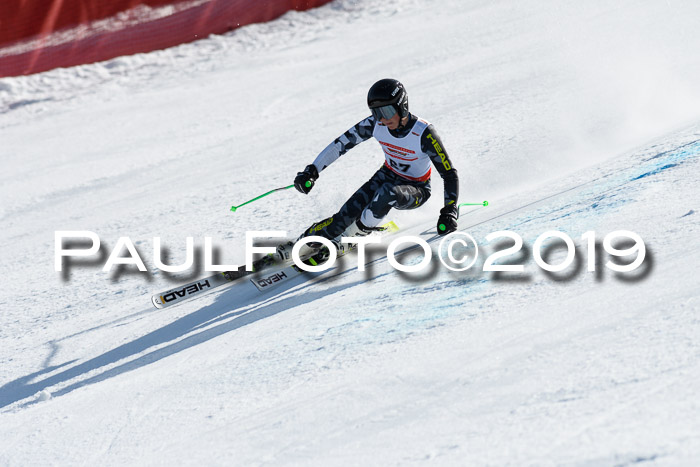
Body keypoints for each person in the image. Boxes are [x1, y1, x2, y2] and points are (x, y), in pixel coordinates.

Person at [292, 78, 460, 253]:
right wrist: (312, 171)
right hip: (385, 176)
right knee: (342, 218)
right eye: (376, 113)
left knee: (388, 192)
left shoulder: (424, 133)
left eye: (386, 111)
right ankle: (300, 243)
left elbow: (449, 174)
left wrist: (449, 211)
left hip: (417, 189)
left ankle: (353, 235)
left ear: (401, 106)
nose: (382, 119)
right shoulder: (375, 124)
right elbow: (340, 145)